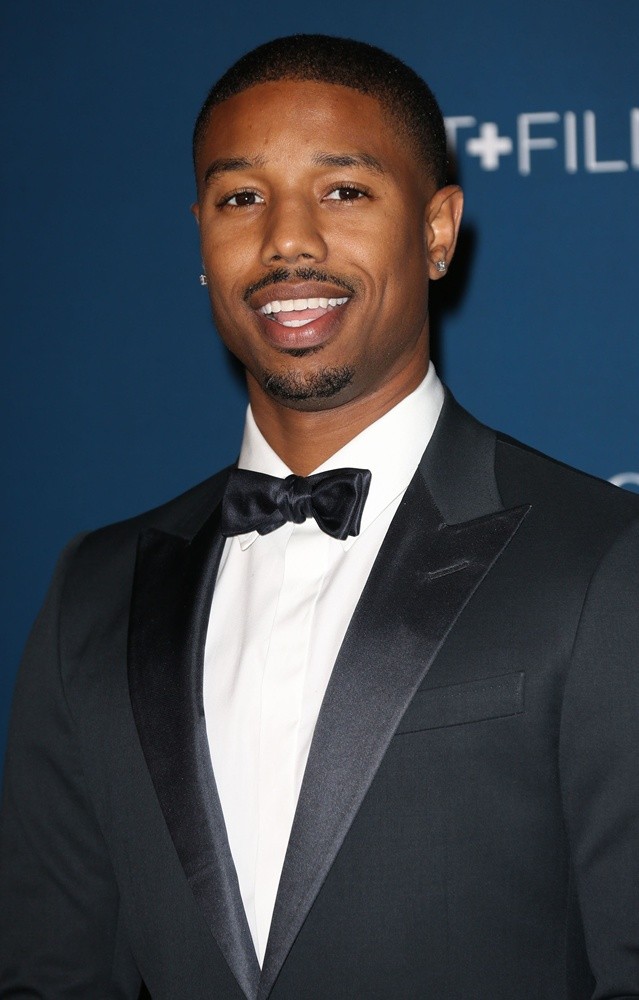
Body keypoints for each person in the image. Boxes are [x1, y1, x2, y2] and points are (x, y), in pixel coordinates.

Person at [1, 33, 638, 1000]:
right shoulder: (96, 588)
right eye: (240, 198)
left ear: (435, 231)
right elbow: (49, 973)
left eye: (342, 191)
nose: (285, 241)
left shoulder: (601, 559)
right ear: (201, 240)